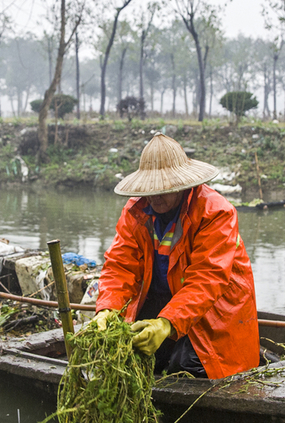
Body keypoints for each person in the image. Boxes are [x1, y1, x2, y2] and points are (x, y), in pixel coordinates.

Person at [93, 133, 259, 379]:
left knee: (187, 368)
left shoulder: (215, 212)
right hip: (164, 300)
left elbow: (207, 279)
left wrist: (166, 323)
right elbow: (120, 267)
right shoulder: (136, 211)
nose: (155, 197)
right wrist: (107, 309)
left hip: (215, 309)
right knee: (129, 351)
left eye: (164, 189)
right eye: (151, 189)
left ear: (182, 185)